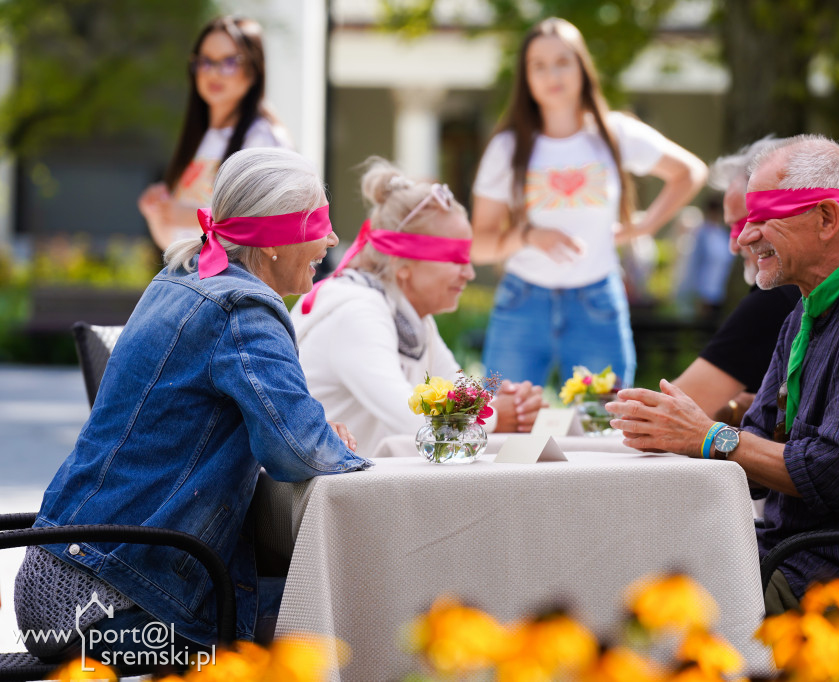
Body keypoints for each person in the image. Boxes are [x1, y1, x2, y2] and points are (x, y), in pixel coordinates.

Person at [15, 148, 372, 661]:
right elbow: (297, 453)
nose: (333, 239)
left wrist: (313, 436)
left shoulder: (182, 280)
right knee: (338, 622)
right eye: (318, 221)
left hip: (59, 580)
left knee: (305, 604)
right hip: (105, 608)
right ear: (272, 240)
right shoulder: (242, 307)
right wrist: (323, 442)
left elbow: (293, 436)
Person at [607, 135, 839, 611]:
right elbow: (757, 442)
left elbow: (838, 477)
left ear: (826, 218)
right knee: (625, 562)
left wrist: (709, 436)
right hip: (794, 556)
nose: (743, 237)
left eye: (763, 216)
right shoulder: (806, 312)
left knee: (647, 611)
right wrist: (682, 436)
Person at [470, 17, 708, 388]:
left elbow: (690, 172)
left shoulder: (615, 133)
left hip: (597, 300)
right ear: (526, 78)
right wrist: (529, 236)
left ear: (582, 66)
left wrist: (645, 226)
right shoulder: (508, 148)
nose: (553, 74)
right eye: (539, 65)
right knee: (502, 421)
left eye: (563, 61)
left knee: (605, 424)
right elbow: (478, 246)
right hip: (522, 302)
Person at [292, 158, 545, 457]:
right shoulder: (357, 313)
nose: (469, 273)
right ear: (403, 265)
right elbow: (410, 418)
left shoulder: (409, 314)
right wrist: (499, 416)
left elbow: (460, 393)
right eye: (455, 258)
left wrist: (514, 404)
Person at [671, 137, 801, 424]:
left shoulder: (779, 297)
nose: (736, 243)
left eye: (746, 223)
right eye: (731, 227)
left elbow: (672, 411)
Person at [138, 15, 291, 250]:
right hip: (191, 281)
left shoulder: (263, 140)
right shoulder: (202, 138)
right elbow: (177, 244)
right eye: (206, 62)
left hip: (232, 285)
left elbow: (266, 227)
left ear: (253, 70)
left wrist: (191, 216)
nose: (214, 73)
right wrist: (158, 214)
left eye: (229, 62)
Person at [674, 198, 734, 323]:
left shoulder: (722, 234)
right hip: (702, 295)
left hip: (718, 293)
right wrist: (696, 293)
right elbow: (694, 263)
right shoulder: (701, 234)